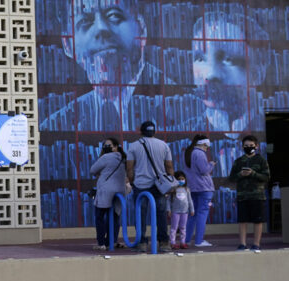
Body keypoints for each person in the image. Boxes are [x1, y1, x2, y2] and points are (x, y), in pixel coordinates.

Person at [42, 0, 173, 132]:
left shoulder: (187, 110)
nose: (101, 28)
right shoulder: (55, 126)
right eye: (84, 21)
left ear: (141, 29)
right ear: (67, 45)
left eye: (114, 16)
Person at [191, 12, 269, 134]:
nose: (210, 74)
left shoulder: (270, 128)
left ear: (257, 71)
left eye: (228, 59)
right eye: (200, 59)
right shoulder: (192, 129)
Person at [126, 121, 174, 253]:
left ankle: (141, 243)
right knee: (161, 214)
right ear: (155, 132)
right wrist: (170, 183)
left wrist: (131, 181)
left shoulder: (134, 146)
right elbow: (169, 166)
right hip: (159, 186)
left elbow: (129, 168)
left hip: (141, 185)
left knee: (140, 214)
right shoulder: (163, 145)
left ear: (140, 131)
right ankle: (164, 242)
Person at [229, 135, 270, 250]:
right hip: (243, 196)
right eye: (246, 146)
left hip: (257, 195)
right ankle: (242, 244)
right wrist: (240, 174)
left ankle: (256, 244)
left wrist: (253, 173)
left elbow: (266, 177)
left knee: (258, 221)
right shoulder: (238, 161)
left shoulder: (261, 160)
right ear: (242, 147)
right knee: (242, 221)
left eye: (251, 146)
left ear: (256, 146)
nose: (248, 147)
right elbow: (231, 178)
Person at [89, 138, 127, 251]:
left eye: (109, 146)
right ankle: (112, 241)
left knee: (100, 217)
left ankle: (101, 243)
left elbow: (92, 170)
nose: (107, 148)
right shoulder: (124, 157)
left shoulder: (105, 157)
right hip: (120, 190)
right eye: (105, 146)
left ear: (116, 146)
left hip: (106, 190)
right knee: (115, 217)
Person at [183, 135, 216, 247]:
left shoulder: (189, 153)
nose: (207, 148)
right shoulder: (200, 153)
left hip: (193, 188)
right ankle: (199, 241)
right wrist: (211, 164)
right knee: (202, 213)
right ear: (203, 144)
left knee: (192, 214)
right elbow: (204, 170)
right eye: (206, 146)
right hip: (204, 188)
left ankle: (186, 239)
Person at [166, 171, 194, 250]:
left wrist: (192, 209)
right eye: (179, 179)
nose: (181, 180)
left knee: (183, 227)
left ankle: (182, 242)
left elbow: (190, 200)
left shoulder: (187, 189)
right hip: (175, 211)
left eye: (182, 179)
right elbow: (168, 200)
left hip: (185, 212)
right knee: (174, 228)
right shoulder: (173, 190)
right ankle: (172, 242)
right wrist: (168, 210)